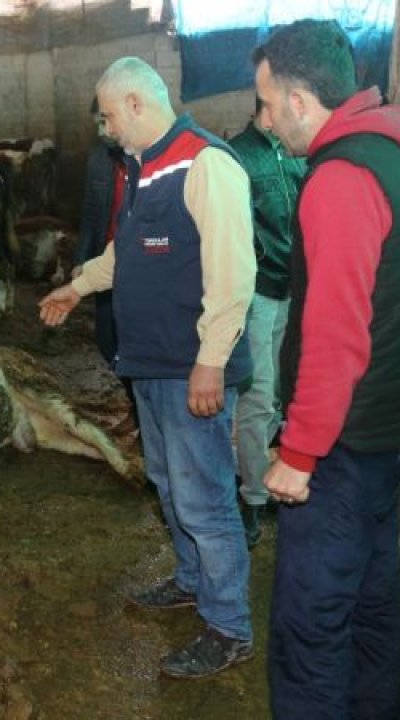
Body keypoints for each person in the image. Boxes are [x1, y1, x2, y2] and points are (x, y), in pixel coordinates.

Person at [39, 56, 256, 679]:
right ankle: (192, 581)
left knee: (207, 500)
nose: (106, 129)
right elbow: (126, 252)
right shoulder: (142, 167)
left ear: (136, 103)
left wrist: (211, 362)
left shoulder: (205, 163)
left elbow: (234, 274)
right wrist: (77, 287)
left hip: (192, 369)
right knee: (168, 482)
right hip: (153, 365)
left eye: (108, 116)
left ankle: (228, 625)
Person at [252, 19, 400, 718]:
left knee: (311, 623)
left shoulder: (340, 179)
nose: (264, 120)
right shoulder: (399, 158)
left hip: (343, 449)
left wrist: (299, 451)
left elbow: (336, 334)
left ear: (300, 101)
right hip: (390, 433)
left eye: (268, 104)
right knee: (371, 598)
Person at [226, 99, 306, 547]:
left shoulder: (294, 153)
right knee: (256, 395)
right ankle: (252, 496)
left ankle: (258, 478)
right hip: (257, 292)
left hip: (290, 287)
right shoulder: (237, 155)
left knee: (276, 390)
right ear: (269, 110)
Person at [73, 98, 126, 364]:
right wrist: (81, 259)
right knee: (107, 341)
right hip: (103, 265)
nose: (101, 132)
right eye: (97, 124)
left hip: (137, 266)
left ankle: (137, 401)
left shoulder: (148, 161)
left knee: (135, 341)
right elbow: (90, 215)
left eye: (105, 122)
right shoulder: (98, 160)